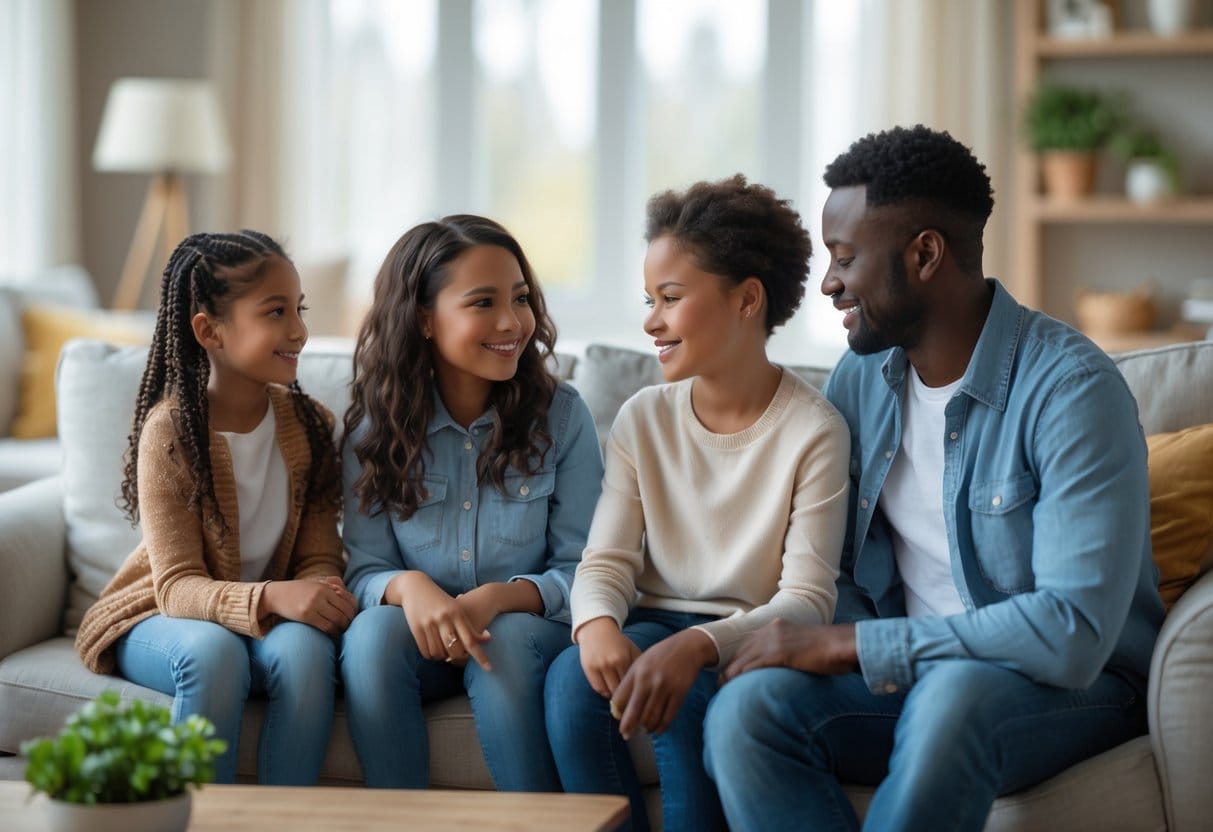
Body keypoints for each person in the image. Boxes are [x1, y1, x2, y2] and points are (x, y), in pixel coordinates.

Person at [702, 125, 1166, 831]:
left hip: (1066, 690)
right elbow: (843, 568)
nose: (827, 283)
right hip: (910, 677)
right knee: (746, 710)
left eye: (845, 258)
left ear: (924, 254)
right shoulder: (861, 378)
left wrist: (853, 646)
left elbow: (1071, 631)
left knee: (954, 698)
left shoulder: (1071, 392)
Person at [544, 175, 851, 831]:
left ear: (746, 300)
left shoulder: (813, 430)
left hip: (744, 637)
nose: (650, 320)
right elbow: (605, 561)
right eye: (648, 299)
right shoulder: (642, 417)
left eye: (671, 298)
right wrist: (597, 625)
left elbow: (807, 601)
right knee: (570, 684)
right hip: (650, 619)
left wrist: (699, 648)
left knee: (684, 701)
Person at [75, 230, 355, 785]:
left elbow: (321, 554)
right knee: (214, 655)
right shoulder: (172, 432)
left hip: (263, 617)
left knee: (307, 654)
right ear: (209, 330)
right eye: (275, 311)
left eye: (298, 309)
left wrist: (320, 593)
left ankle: (285, 820)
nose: (298, 330)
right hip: (160, 615)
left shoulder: (313, 425)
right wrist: (274, 596)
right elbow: (176, 587)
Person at [339, 215, 603, 791]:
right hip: (422, 643)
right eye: (482, 302)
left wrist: (499, 599)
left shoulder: (563, 418)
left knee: (503, 639)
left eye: (521, 298)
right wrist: (410, 588)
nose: (513, 322)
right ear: (422, 319)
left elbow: (587, 569)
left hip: (526, 635)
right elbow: (364, 570)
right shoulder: (372, 429)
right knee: (371, 637)